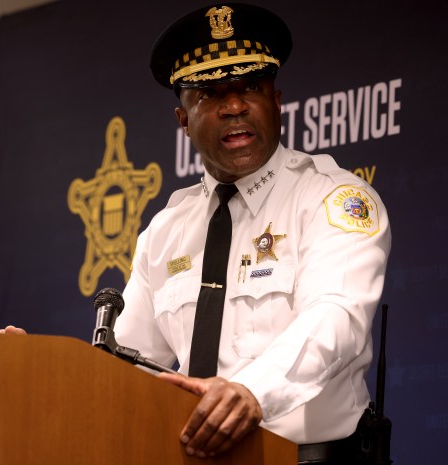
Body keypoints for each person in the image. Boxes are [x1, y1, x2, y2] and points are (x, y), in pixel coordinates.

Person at [109, 3, 391, 464]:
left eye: (250, 87)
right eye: (210, 95)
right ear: (183, 121)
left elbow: (335, 319)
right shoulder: (164, 231)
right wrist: (43, 369)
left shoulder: (332, 199)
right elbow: (127, 362)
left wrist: (251, 392)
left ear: (276, 100)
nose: (235, 106)